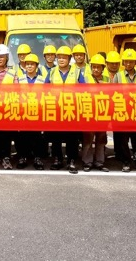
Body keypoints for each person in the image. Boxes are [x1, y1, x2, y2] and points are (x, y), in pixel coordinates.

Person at [44, 45, 85, 174]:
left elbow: (84, 89)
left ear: (69, 59)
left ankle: (71, 160)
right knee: (55, 137)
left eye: (64, 57)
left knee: (71, 137)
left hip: (71, 109)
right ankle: (57, 159)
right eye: (59, 57)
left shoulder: (77, 72)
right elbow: (45, 89)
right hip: (56, 110)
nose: (61, 60)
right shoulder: (52, 72)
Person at [81, 54, 109, 172]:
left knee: (101, 138)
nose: (96, 69)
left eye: (98, 67)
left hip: (103, 112)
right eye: (94, 67)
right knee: (88, 139)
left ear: (103, 68)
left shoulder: (107, 79)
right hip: (89, 112)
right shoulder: (85, 78)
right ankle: (87, 162)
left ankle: (99, 162)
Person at [17, 53, 45, 170]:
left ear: (36, 66)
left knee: (37, 136)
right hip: (23, 112)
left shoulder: (42, 80)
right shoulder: (20, 79)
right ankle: (22, 157)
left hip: (37, 112)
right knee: (23, 136)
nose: (29, 66)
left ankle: (37, 158)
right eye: (27, 64)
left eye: (32, 64)